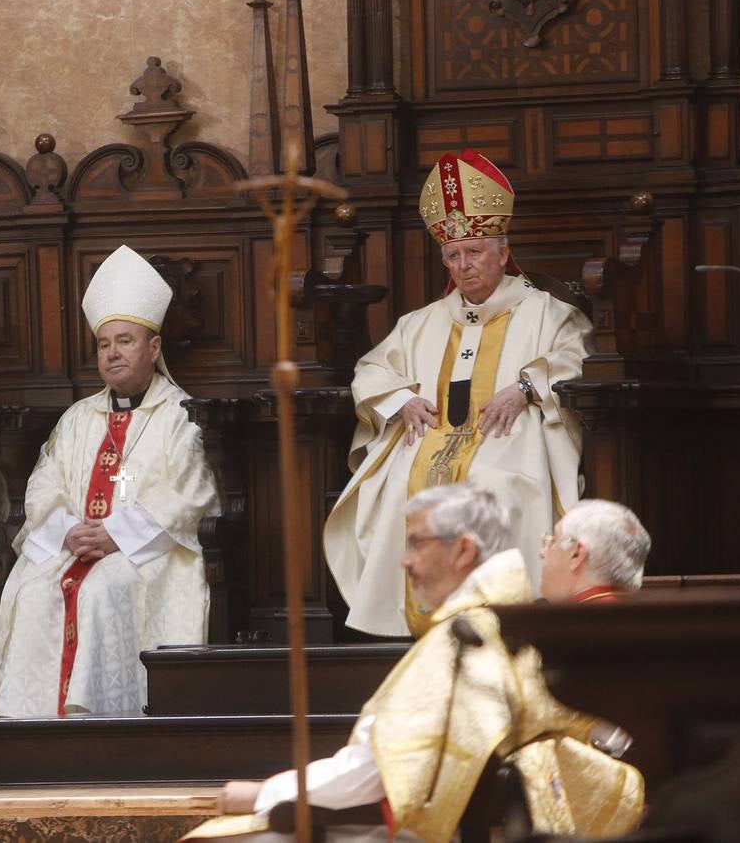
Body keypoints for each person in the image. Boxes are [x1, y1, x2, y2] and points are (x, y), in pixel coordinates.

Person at [184, 484, 644, 843]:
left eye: (417, 543)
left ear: (463, 550)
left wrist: (268, 793)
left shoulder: (467, 638)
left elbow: (379, 772)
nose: (404, 561)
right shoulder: (506, 622)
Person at [323, 149, 594, 637]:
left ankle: (502, 623)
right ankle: (413, 624)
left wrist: (527, 387)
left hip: (509, 438)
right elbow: (370, 372)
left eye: (475, 252)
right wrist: (401, 400)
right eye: (453, 254)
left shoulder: (548, 313)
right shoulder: (420, 323)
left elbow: (579, 358)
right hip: (428, 440)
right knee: (401, 488)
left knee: (496, 484)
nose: (464, 265)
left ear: (503, 253)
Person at [0, 244, 219, 718]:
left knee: (97, 591)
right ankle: (26, 727)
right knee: (34, 593)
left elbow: (191, 492)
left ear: (153, 347)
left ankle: (95, 721)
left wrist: (117, 533)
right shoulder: (77, 418)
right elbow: (43, 482)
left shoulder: (181, 415)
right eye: (103, 344)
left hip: (147, 554)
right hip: (73, 546)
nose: (112, 354)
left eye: (125, 341)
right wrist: (65, 529)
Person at [539, 498, 652, 604]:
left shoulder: (570, 622)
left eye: (553, 541)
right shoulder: (646, 619)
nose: (542, 553)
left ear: (576, 554)